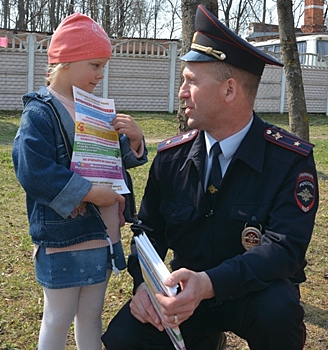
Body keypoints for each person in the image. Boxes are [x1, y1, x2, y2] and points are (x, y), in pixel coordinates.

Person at [101, 5, 319, 350]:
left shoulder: (289, 160)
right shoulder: (171, 157)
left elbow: (284, 250)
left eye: (190, 81)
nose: (181, 93)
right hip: (187, 296)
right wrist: (143, 286)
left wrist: (210, 283)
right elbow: (149, 232)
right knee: (124, 337)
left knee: (280, 315)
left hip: (255, 293)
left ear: (229, 90)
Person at [12, 13, 148, 350]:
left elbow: (112, 161)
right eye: (95, 65)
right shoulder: (41, 113)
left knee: (91, 316)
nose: (100, 75)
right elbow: (32, 169)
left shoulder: (96, 109)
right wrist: (89, 192)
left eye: (102, 66)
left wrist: (134, 141)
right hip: (63, 239)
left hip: (100, 237)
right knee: (57, 318)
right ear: (67, 61)